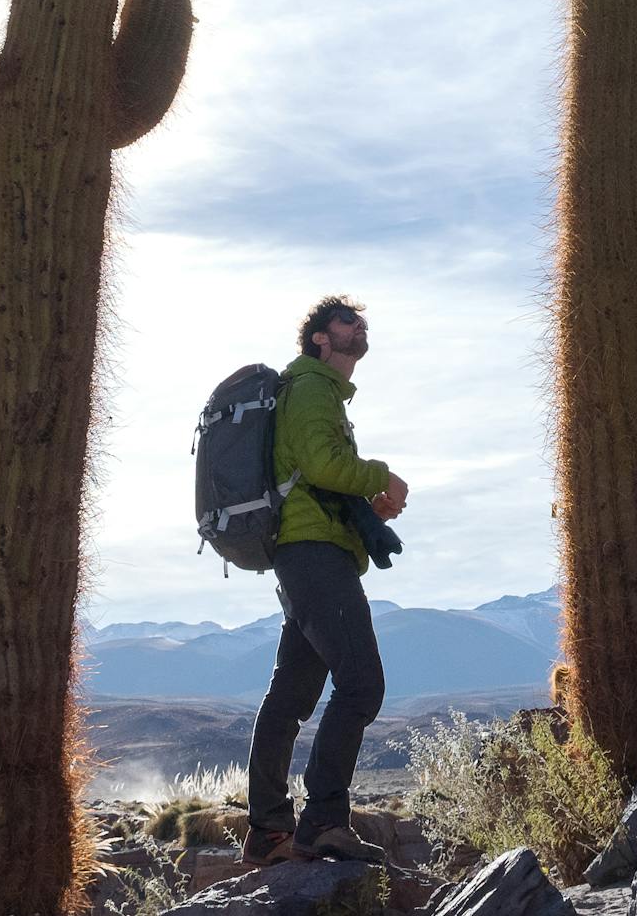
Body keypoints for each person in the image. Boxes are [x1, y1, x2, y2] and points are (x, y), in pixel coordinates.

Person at [243, 295, 413, 867]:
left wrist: (364, 505)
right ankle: (321, 822)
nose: (358, 325)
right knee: (361, 686)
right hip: (314, 556)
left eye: (361, 320)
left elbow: (314, 475)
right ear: (320, 337)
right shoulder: (312, 387)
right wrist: (381, 476)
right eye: (346, 320)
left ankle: (268, 831)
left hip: (306, 553)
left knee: (290, 696)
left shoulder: (313, 391)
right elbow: (320, 463)